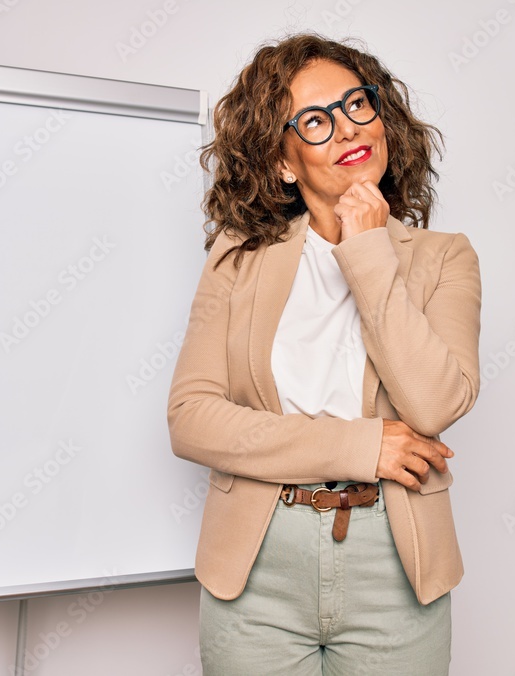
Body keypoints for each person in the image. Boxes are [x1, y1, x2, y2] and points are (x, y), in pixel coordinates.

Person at [167, 32, 481, 675]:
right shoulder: (237, 259)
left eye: (356, 105)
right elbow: (192, 418)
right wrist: (362, 447)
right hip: (256, 566)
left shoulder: (445, 257)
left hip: (394, 564)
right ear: (283, 162)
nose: (346, 129)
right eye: (315, 120)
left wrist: (367, 251)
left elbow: (436, 403)